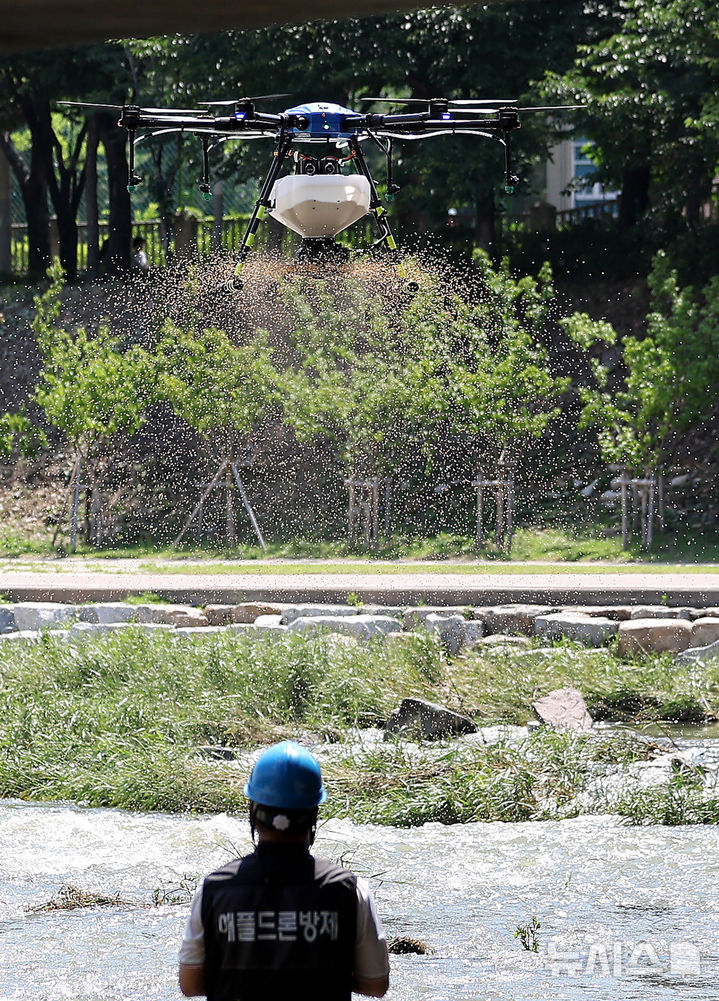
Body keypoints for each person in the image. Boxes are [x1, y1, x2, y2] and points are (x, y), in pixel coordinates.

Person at [179, 740, 390, 1001]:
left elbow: (190, 984)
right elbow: (376, 985)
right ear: (314, 814)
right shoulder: (351, 890)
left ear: (253, 812)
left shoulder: (213, 889)